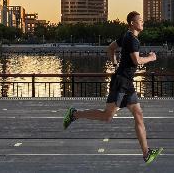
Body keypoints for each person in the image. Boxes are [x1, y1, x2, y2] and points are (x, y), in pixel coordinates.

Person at [62, 11, 163, 164]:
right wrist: (151, 57)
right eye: (140, 20)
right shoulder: (132, 39)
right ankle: (75, 114)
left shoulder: (126, 36)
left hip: (127, 83)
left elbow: (110, 48)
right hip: (121, 83)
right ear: (132, 23)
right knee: (107, 116)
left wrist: (115, 64)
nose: (143, 22)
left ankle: (146, 153)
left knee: (139, 115)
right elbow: (136, 61)